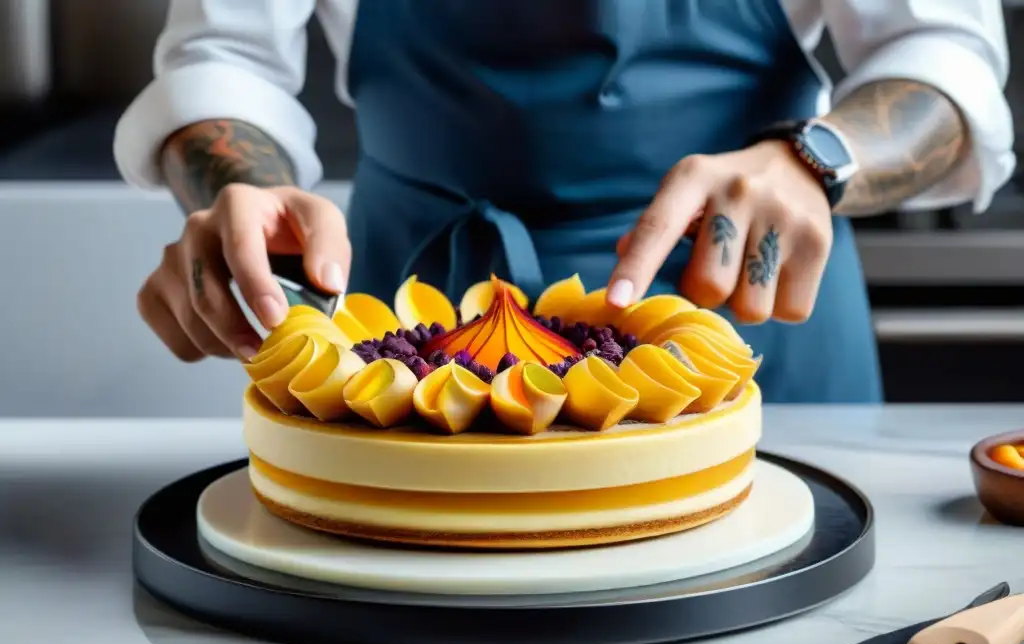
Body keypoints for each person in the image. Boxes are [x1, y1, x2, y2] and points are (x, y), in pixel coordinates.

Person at [114, 0, 1014, 403]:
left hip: (749, 320)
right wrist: (246, 190)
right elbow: (221, 56)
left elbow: (943, 54)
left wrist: (815, 159)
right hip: (414, 337)